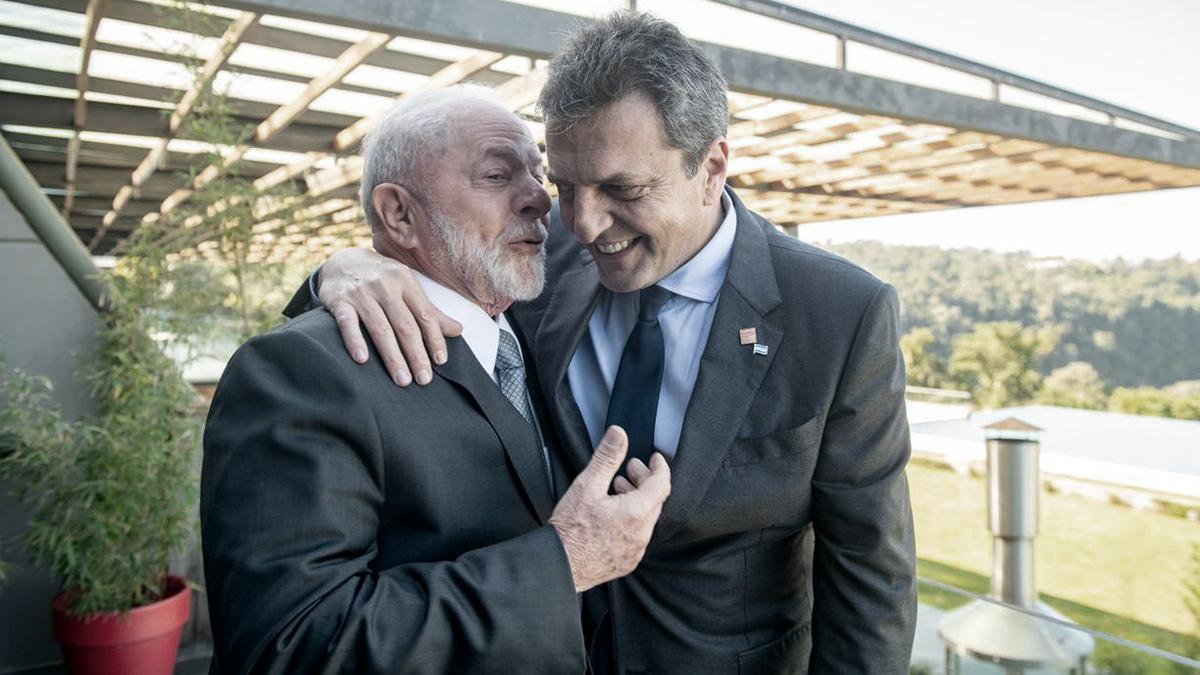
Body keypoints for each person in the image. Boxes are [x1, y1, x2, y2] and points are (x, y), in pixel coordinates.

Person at [291, 12, 917, 674]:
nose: (585, 224)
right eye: (565, 187)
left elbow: (870, 581)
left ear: (711, 167)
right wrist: (339, 269)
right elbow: (425, 264)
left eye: (623, 189)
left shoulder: (841, 313)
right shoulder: (539, 258)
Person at [201, 86, 672, 675]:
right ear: (400, 214)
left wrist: (333, 266)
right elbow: (290, 648)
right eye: (497, 175)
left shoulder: (529, 317)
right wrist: (566, 561)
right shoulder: (298, 372)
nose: (539, 199)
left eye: (539, 174)